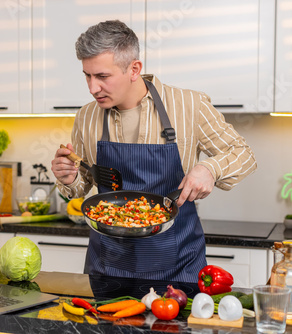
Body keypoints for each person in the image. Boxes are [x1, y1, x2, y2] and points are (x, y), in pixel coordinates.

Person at [51, 20, 257, 283]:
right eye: (87, 76)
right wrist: (69, 178)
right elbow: (82, 185)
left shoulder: (188, 105)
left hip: (178, 263)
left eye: (102, 76)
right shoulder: (87, 116)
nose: (92, 88)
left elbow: (242, 153)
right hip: (107, 265)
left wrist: (209, 169)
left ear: (134, 69)